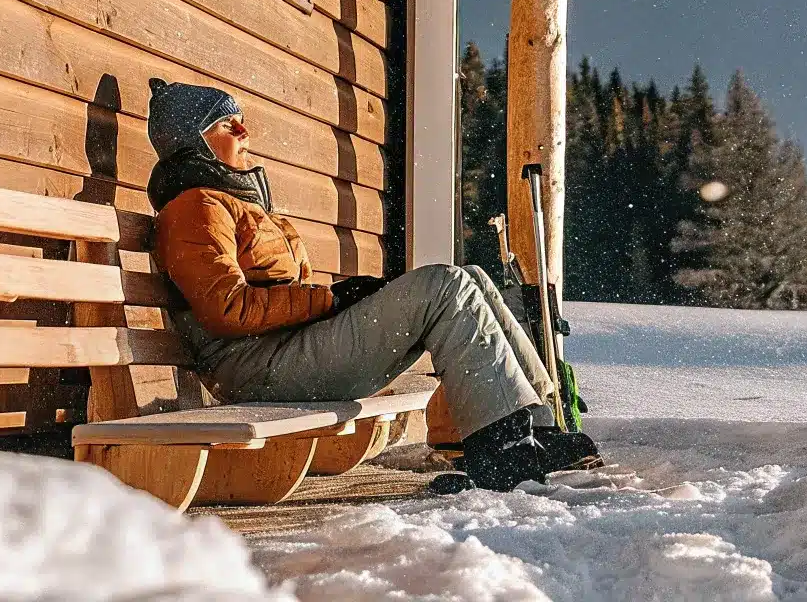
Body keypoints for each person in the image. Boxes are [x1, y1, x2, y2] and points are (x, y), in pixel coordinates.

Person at [143, 78, 595, 492]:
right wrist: (330, 299)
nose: (244, 132)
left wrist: (344, 299)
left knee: (472, 277)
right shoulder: (194, 208)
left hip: (282, 351)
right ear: (192, 140)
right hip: (255, 368)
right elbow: (227, 309)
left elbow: (271, 295)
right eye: (226, 124)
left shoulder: (230, 203)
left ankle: (535, 427)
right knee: (445, 286)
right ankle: (501, 450)